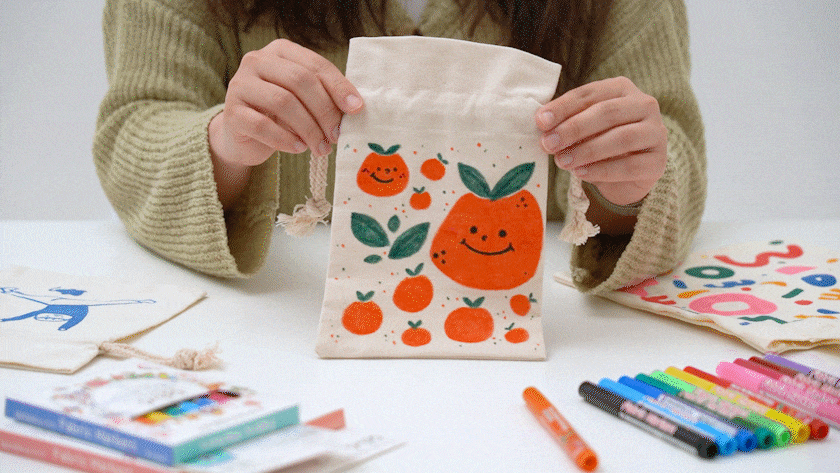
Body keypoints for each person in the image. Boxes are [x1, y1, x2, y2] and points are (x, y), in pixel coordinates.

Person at [94, 0, 706, 293]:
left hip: (535, 318)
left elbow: (671, 150)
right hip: (268, 328)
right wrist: (227, 142)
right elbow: (134, 130)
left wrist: (628, 187)